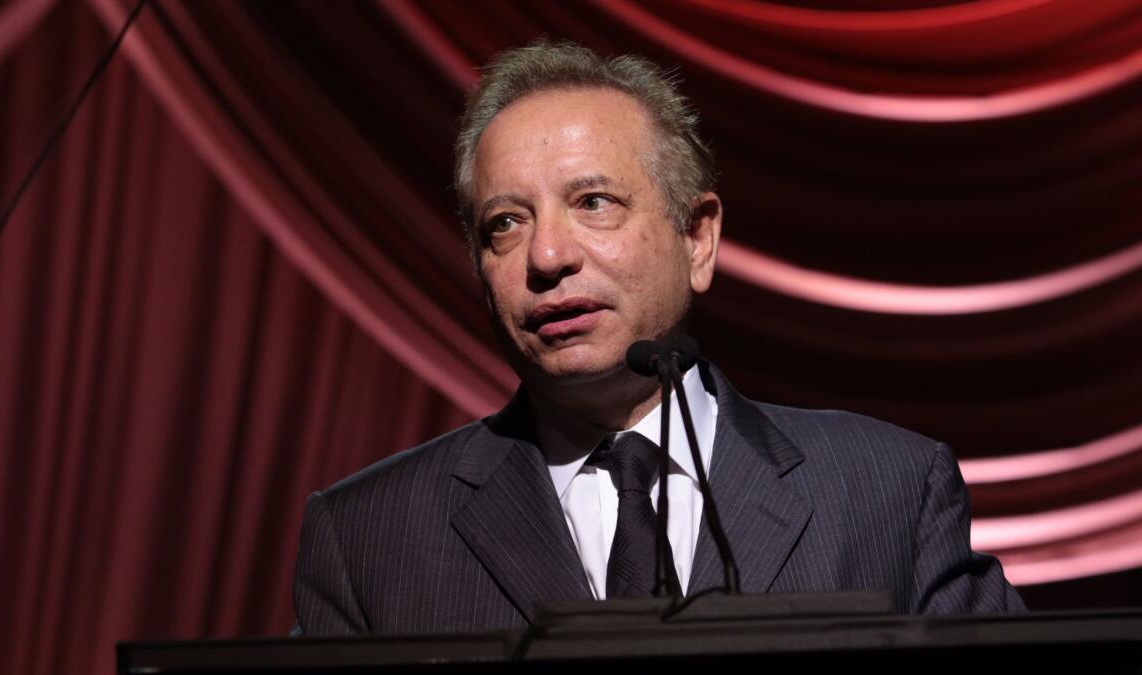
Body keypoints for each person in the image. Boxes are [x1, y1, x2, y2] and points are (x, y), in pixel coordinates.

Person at [292, 41, 1025, 635]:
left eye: (593, 202)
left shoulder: (886, 490)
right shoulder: (367, 537)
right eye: (505, 223)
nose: (546, 256)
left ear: (698, 238)